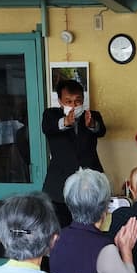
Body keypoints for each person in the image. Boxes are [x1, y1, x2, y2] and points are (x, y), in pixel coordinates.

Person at [41, 79, 106, 227]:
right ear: (59, 101)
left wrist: (92, 125)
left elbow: (101, 130)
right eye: (68, 101)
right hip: (59, 185)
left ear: (83, 100)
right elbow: (48, 127)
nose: (73, 105)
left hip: (90, 183)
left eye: (77, 101)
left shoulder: (92, 115)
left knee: (89, 228)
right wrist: (64, 122)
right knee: (61, 229)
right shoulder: (51, 114)